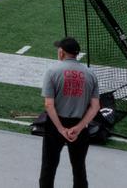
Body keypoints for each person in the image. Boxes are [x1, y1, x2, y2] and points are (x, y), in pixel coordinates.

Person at [39, 37, 101, 188]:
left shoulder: (52, 71)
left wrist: (61, 129)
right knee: (79, 169)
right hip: (79, 127)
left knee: (49, 167)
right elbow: (95, 107)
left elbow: (49, 104)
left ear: (61, 52)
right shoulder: (90, 74)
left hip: (55, 125)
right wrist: (79, 128)